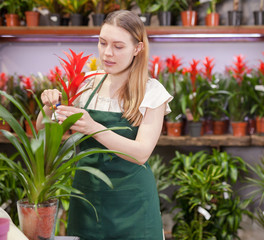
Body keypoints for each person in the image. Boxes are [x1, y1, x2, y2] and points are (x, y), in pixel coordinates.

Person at [36, 10, 172, 240]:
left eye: (118, 46)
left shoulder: (152, 92)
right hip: (88, 201)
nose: (107, 53)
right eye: (102, 43)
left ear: (137, 49)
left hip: (134, 206)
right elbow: (42, 128)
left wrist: (93, 128)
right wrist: (48, 105)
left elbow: (141, 154)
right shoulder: (86, 84)